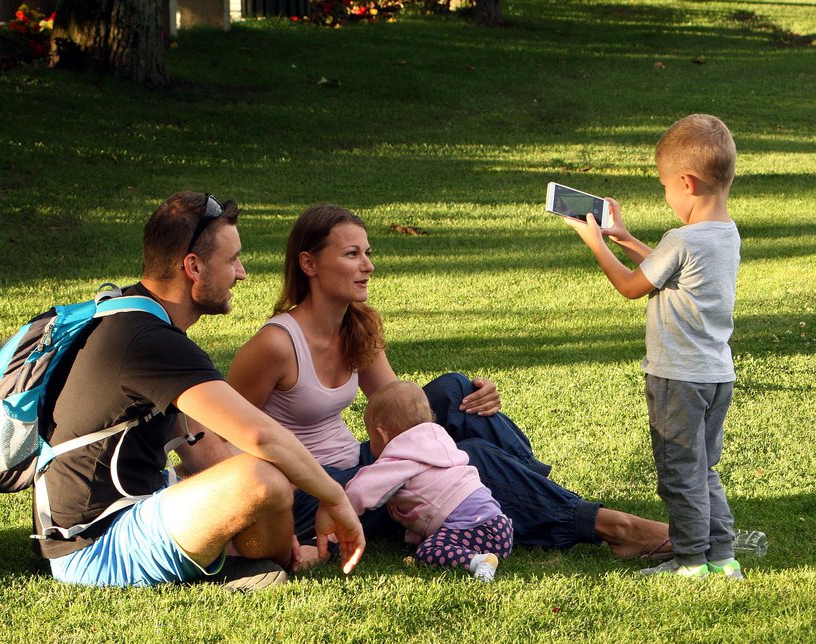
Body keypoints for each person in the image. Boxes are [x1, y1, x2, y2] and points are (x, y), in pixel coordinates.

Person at [227, 203, 672, 561]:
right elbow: (220, 436)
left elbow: (399, 411)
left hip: (360, 462)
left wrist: (479, 400)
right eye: (351, 254)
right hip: (318, 492)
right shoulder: (276, 345)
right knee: (471, 457)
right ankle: (614, 527)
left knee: (457, 392)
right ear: (309, 263)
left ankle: (530, 494)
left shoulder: (356, 327)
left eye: (368, 252)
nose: (368, 265)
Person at [35, 191, 365, 589]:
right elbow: (262, 435)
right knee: (266, 476)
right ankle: (275, 561)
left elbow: (200, 443)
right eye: (231, 260)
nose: (241, 273)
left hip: (117, 517)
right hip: (96, 547)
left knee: (263, 476)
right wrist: (334, 497)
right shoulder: (149, 340)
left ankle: (263, 553)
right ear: (193, 266)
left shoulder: (131, 314)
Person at [563, 114, 742, 579]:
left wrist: (595, 244)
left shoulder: (681, 239)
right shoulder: (724, 234)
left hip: (677, 378)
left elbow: (631, 287)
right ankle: (722, 559)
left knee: (680, 474)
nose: (666, 196)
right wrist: (622, 237)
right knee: (705, 470)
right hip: (716, 375)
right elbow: (669, 271)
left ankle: (689, 563)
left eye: (665, 187)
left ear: (687, 182)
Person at [344, 381, 513, 583]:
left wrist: (338, 508)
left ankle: (479, 561)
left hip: (476, 529)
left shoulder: (400, 458)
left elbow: (361, 489)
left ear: (381, 433)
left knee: (428, 551)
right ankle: (477, 553)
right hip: (500, 527)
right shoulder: (439, 441)